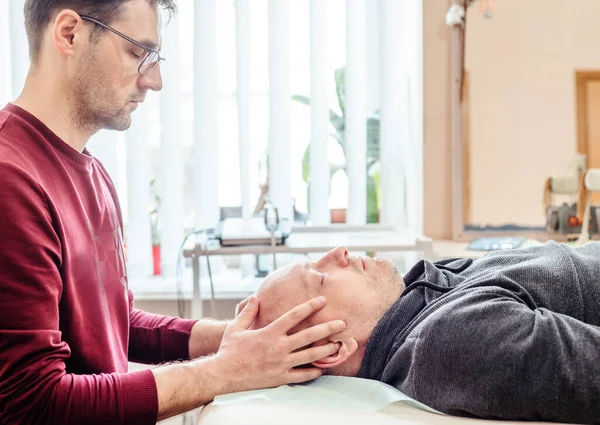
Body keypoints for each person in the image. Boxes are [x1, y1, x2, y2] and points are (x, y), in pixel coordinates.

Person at [0, 1, 345, 424]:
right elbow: (32, 403)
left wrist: (247, 338)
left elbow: (118, 324)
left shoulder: (92, 174)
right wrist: (226, 371)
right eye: (136, 52)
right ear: (69, 33)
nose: (155, 80)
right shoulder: (10, 180)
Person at [250, 243, 600, 424]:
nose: (339, 252)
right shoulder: (450, 339)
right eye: (321, 277)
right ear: (332, 349)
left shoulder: (416, 296)